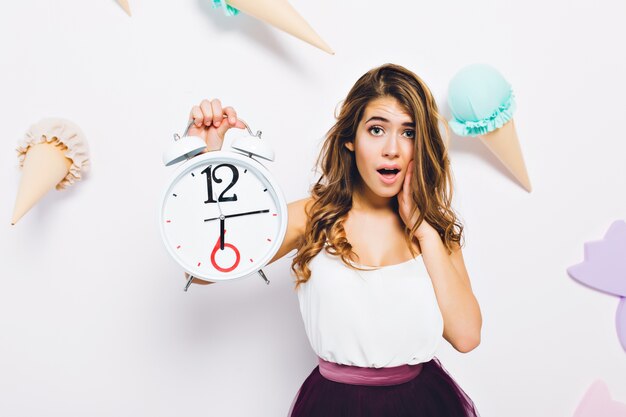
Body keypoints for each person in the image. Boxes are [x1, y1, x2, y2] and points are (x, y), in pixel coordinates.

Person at [186, 63, 482, 416]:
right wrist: (208, 164)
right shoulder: (313, 216)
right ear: (350, 139)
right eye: (376, 129)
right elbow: (205, 271)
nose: (392, 148)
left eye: (408, 133)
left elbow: (466, 336)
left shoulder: (433, 229)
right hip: (334, 405)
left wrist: (423, 232)